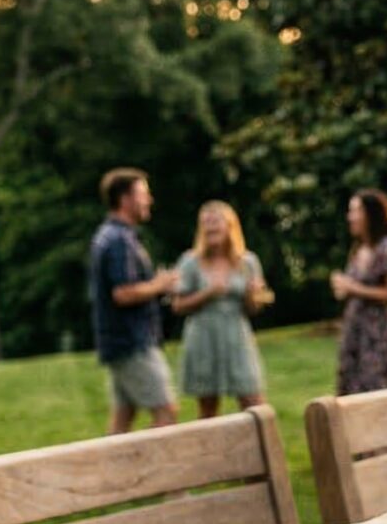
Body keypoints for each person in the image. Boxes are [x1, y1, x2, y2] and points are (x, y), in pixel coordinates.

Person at [90, 167, 178, 433]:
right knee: (166, 413)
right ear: (125, 199)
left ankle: (110, 475)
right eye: (143, 194)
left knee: (123, 418)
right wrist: (159, 285)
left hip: (118, 342)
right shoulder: (119, 240)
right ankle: (157, 474)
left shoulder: (109, 235)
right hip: (133, 342)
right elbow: (123, 293)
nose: (149, 200)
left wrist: (155, 286)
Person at [170, 200, 272, 418]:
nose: (210, 227)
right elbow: (178, 306)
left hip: (236, 334)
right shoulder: (190, 262)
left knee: (254, 401)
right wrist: (208, 293)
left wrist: (251, 295)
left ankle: (262, 450)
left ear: (230, 226)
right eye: (205, 223)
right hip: (203, 336)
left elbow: (253, 310)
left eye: (215, 222)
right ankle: (208, 452)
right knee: (208, 407)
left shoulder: (248, 262)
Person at [330, 188, 387, 395]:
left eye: (355, 211)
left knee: (375, 390)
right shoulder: (359, 248)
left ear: (370, 214)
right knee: (350, 391)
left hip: (376, 335)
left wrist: (353, 288)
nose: (350, 217)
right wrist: (344, 288)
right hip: (355, 331)